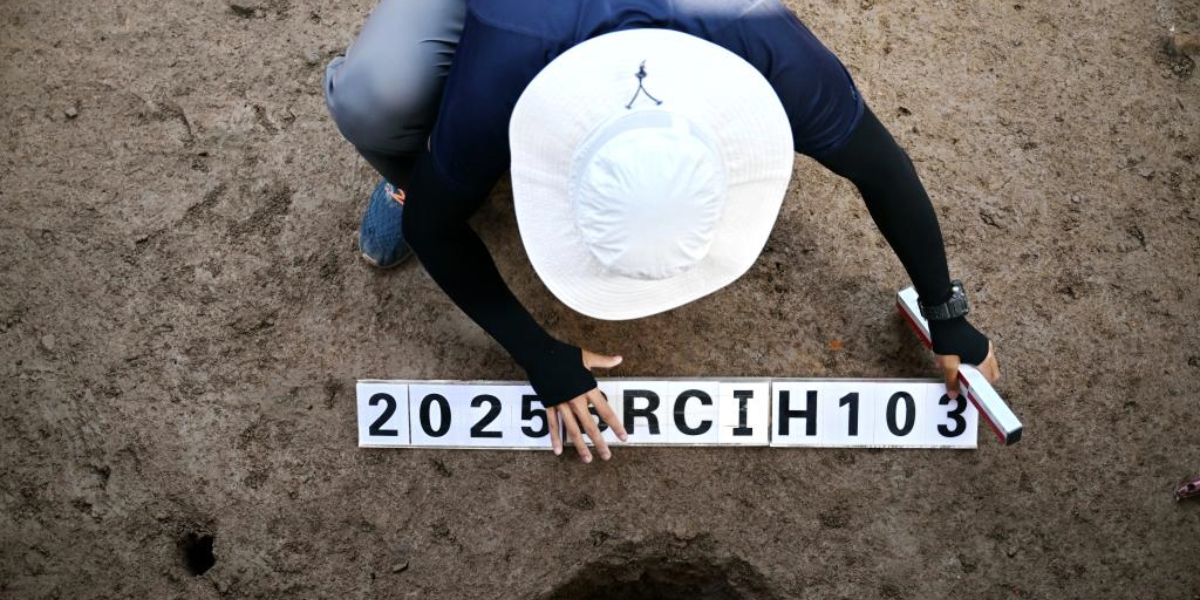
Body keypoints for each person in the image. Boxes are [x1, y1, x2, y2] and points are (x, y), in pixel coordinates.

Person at [323, 0, 1003, 462]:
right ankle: (414, 164)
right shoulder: (506, 52)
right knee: (374, 100)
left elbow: (882, 165)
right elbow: (433, 225)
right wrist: (534, 352)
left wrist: (946, 309)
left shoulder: (758, 35)